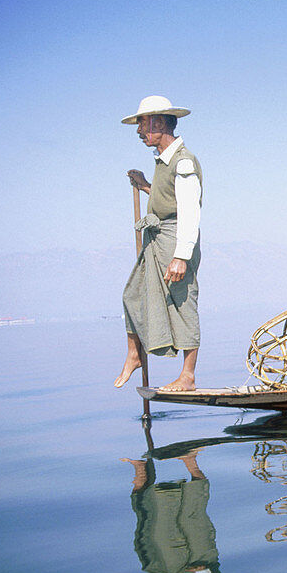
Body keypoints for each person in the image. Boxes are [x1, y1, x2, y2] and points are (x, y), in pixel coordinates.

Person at [115, 95, 203, 392]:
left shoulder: (183, 160)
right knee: (133, 294)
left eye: (142, 124)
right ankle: (134, 354)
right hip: (159, 238)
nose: (139, 131)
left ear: (159, 122)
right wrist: (145, 187)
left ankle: (188, 376)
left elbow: (190, 212)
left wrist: (181, 256)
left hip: (176, 239)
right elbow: (171, 197)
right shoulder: (164, 161)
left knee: (182, 300)